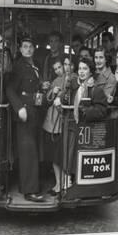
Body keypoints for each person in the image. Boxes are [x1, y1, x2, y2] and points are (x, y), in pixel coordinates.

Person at [5, 35, 45, 202]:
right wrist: (19, 107)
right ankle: (30, 191)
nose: (28, 49)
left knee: (32, 150)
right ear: (20, 49)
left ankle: (28, 185)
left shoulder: (34, 64)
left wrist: (42, 86)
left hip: (34, 111)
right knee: (28, 151)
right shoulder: (18, 66)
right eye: (25, 46)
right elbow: (9, 89)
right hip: (25, 113)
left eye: (31, 46)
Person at [42, 59, 72, 194]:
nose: (59, 70)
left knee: (58, 154)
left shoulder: (71, 79)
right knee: (54, 154)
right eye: (56, 68)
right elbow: (48, 98)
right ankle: (58, 182)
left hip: (60, 121)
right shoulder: (55, 81)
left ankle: (63, 181)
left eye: (61, 66)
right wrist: (52, 92)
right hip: (52, 121)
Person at [71, 57, 108, 124]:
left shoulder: (96, 90)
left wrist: (86, 111)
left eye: (85, 69)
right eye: (80, 68)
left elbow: (102, 111)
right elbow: (67, 100)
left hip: (89, 128)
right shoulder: (75, 87)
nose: (81, 71)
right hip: (75, 127)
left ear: (90, 72)